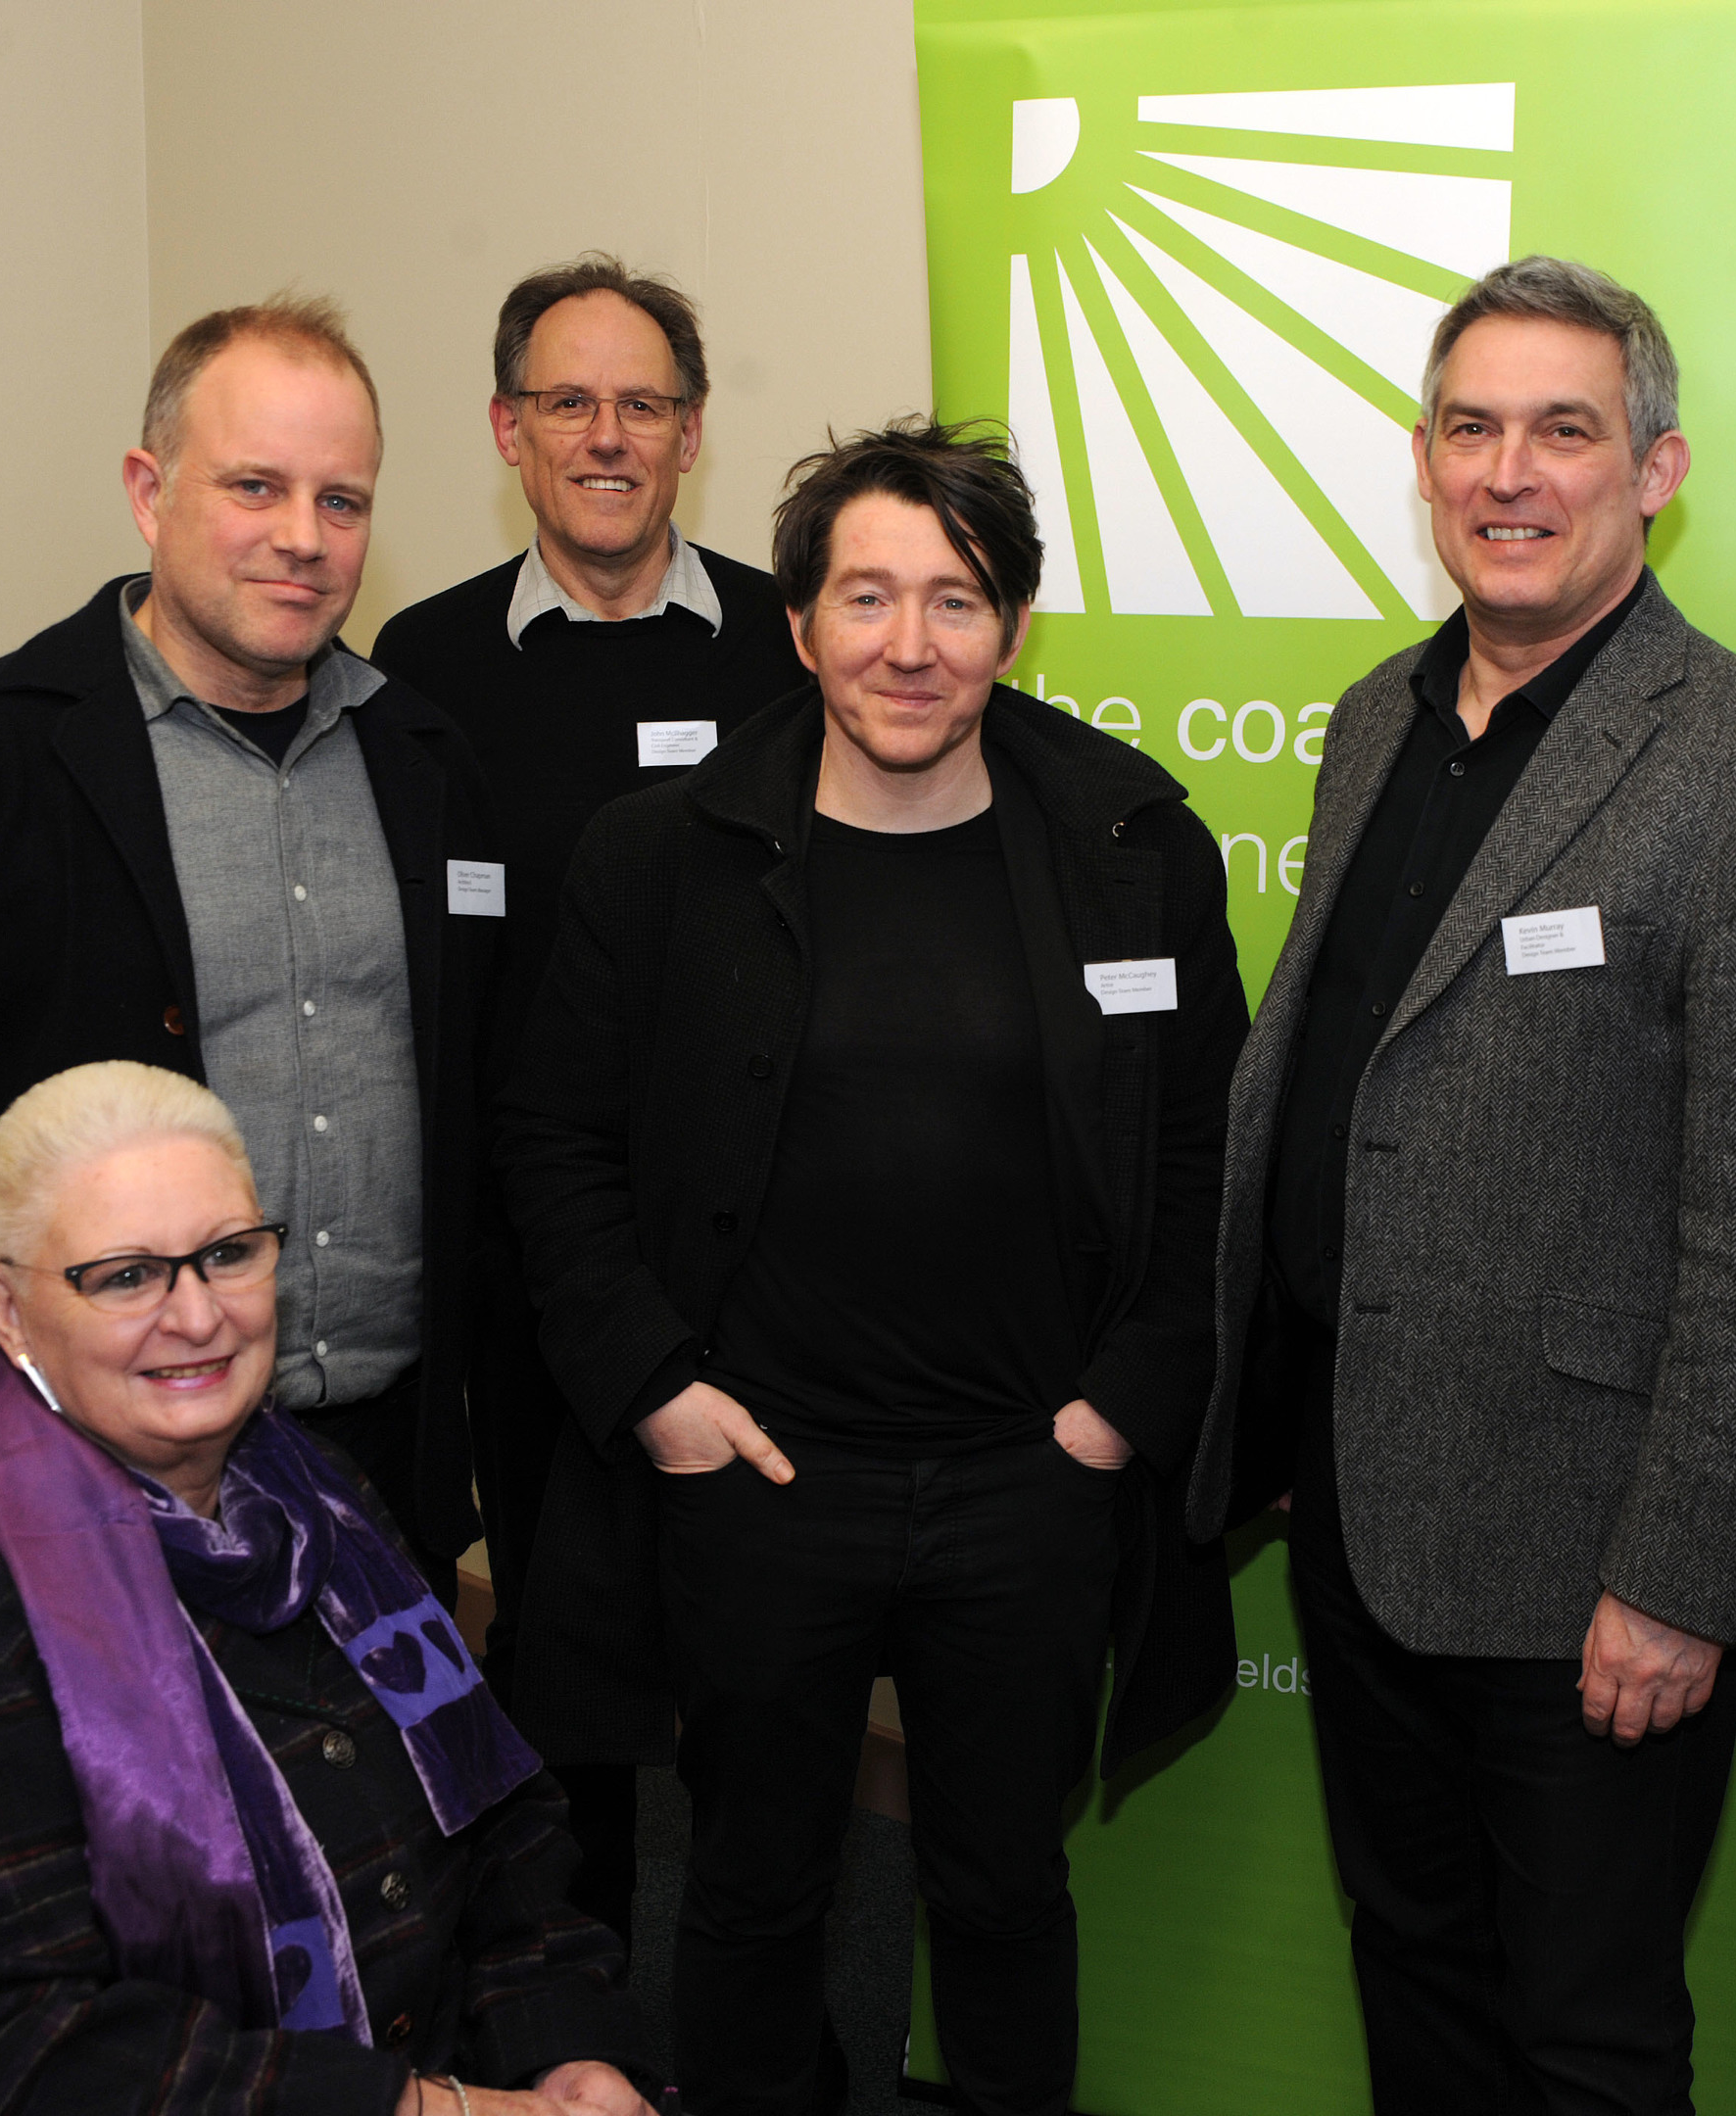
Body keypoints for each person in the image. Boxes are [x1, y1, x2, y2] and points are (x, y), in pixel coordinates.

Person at [1182, 256, 1736, 2114]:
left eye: (1562, 430)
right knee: (1414, 1978)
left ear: (1654, 471)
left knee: (1582, 2037)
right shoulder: (1373, 722)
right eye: (1470, 427)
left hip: (1596, 1562)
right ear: (1423, 463)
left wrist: (1678, 1577)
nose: (1510, 472)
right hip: (1360, 1508)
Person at [498, 418, 1247, 2116]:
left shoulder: (1134, 850)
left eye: (957, 602)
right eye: (867, 599)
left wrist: (1116, 1416)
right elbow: (553, 1144)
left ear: (1016, 623)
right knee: (755, 1894)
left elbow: (1209, 1160)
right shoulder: (661, 856)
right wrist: (660, 1396)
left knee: (1002, 1893)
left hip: (1027, 1487)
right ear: (797, 622)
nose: (910, 646)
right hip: (763, 1483)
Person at [0, 297, 507, 1573]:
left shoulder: (429, 766)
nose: (301, 539)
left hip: (387, 1465)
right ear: (148, 491)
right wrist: (41, 1337)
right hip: (86, 1471)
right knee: (127, 1780)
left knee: (385, 1779)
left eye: (342, 501)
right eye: (254, 486)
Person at [0, 1061, 656, 2115]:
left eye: (228, 1254)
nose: (197, 1316)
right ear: (7, 1310)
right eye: (126, 1276)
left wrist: (565, 2047)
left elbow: (504, 1823)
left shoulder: (327, 1500)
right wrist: (419, 2110)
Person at [373, 254, 809, 1942]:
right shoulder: (419, 669)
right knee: (558, 1624)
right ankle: (576, 1955)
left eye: (643, 403)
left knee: (754, 1633)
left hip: (756, 1249)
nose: (606, 436)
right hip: (524, 1251)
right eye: (568, 401)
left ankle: (755, 1979)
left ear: (693, 433)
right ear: (507, 429)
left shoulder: (793, 643)